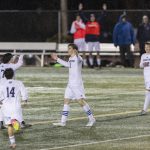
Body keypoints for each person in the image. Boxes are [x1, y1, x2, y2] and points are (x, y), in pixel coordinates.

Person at [51, 43, 96, 127]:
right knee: (66, 101)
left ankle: (92, 119)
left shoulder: (78, 58)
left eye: (69, 48)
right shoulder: (70, 58)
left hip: (77, 84)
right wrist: (57, 59)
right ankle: (63, 122)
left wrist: (77, 53)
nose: (68, 50)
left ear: (74, 50)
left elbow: (80, 58)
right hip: (70, 84)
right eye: (68, 48)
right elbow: (68, 65)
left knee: (81, 102)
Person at [0, 53, 30, 129]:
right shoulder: (11, 66)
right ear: (9, 59)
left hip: (1, 87)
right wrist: (21, 56)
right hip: (9, 86)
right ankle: (21, 122)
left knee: (2, 106)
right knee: (16, 104)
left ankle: (1, 123)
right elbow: (20, 63)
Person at [0, 68, 28, 149]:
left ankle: (13, 143)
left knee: (9, 125)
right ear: (13, 74)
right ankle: (16, 124)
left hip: (6, 108)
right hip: (16, 107)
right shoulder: (19, 83)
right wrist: (25, 100)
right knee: (16, 123)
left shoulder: (2, 84)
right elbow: (24, 92)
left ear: (5, 76)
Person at [79, 3, 101, 68]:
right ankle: (91, 65)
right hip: (90, 40)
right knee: (90, 53)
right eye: (91, 17)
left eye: (93, 17)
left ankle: (99, 64)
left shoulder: (97, 22)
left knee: (98, 52)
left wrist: (104, 10)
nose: (92, 18)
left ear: (94, 17)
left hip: (96, 40)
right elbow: (82, 16)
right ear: (90, 18)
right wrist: (80, 10)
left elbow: (102, 16)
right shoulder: (87, 22)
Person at [140, 42, 150, 115]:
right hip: (146, 77)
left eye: (148, 47)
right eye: (145, 47)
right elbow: (140, 65)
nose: (146, 48)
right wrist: (144, 64)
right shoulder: (143, 56)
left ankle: (144, 109)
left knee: (148, 92)